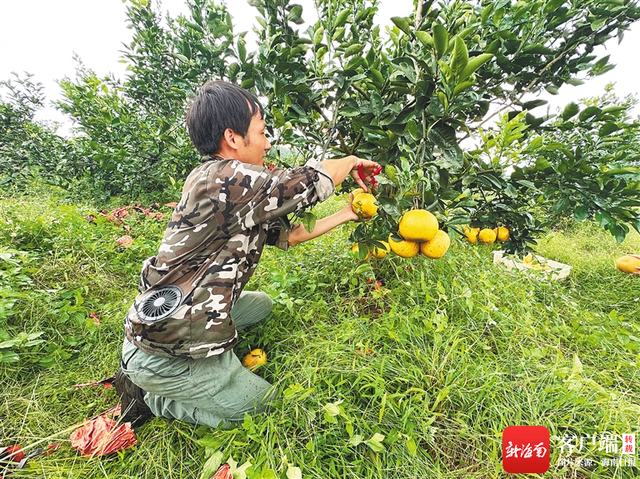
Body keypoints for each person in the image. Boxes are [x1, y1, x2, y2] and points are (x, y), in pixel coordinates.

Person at [115, 80, 381, 428]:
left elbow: (293, 235)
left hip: (180, 313)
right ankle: (151, 395)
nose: (267, 143)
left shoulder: (236, 195)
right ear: (233, 138)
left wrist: (347, 213)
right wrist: (349, 161)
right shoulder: (220, 179)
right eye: (262, 132)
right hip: (166, 347)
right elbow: (305, 182)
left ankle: (176, 368)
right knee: (264, 409)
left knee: (262, 304)